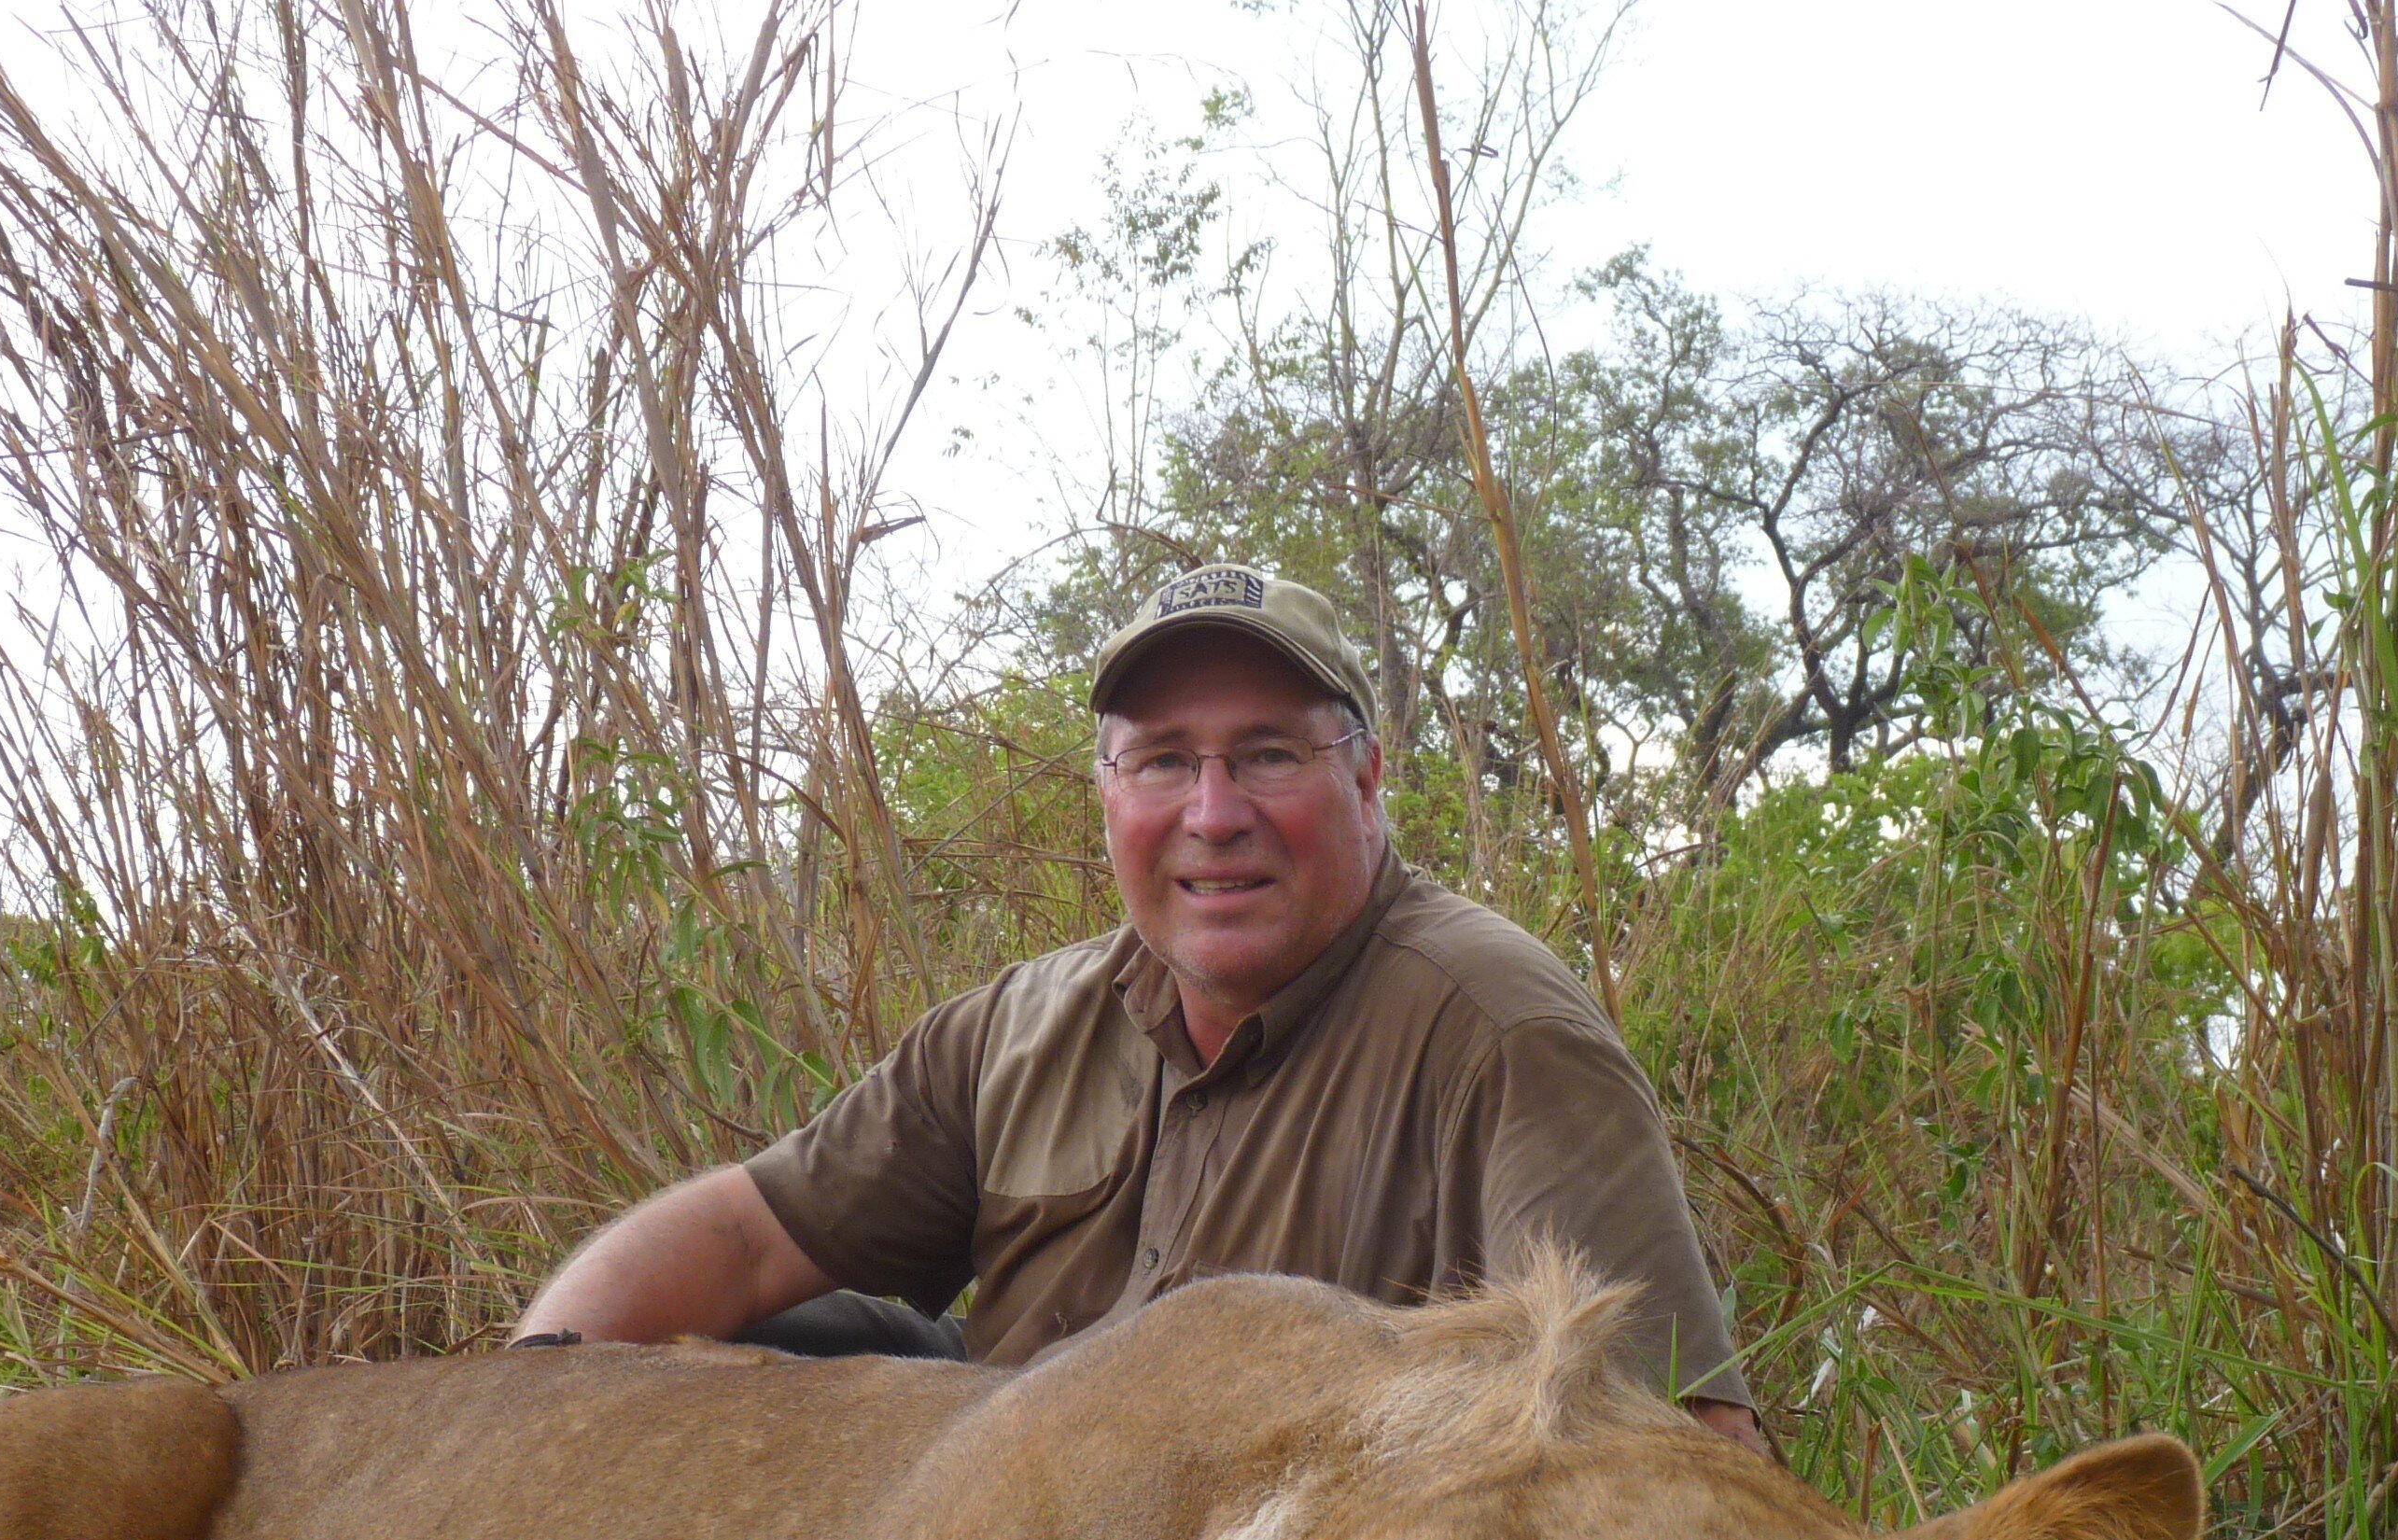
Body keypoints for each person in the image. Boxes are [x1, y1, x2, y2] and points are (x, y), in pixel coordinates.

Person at [515, 563, 1759, 1446]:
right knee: (773, 1346)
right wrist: (513, 1424)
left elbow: (1683, 1450)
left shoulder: (1499, 1030)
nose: (1214, 814)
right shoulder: (1019, 1025)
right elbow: (742, 1242)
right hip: (1002, 1533)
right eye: (1164, 759)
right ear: (1107, 794)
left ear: (1370, 781)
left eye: (1269, 753)